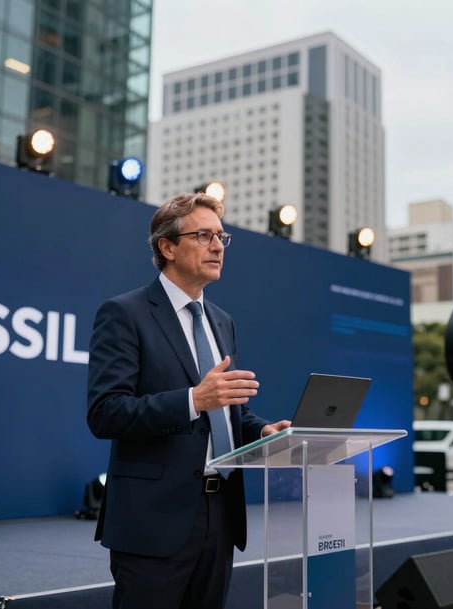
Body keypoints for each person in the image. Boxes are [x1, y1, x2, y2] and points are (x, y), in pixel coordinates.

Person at [86, 192, 290, 609]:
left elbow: (228, 410)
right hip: (153, 521)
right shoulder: (125, 313)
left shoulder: (221, 321)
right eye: (203, 235)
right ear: (167, 246)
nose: (217, 246)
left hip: (221, 515)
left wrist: (262, 431)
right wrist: (193, 399)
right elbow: (106, 412)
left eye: (221, 236)